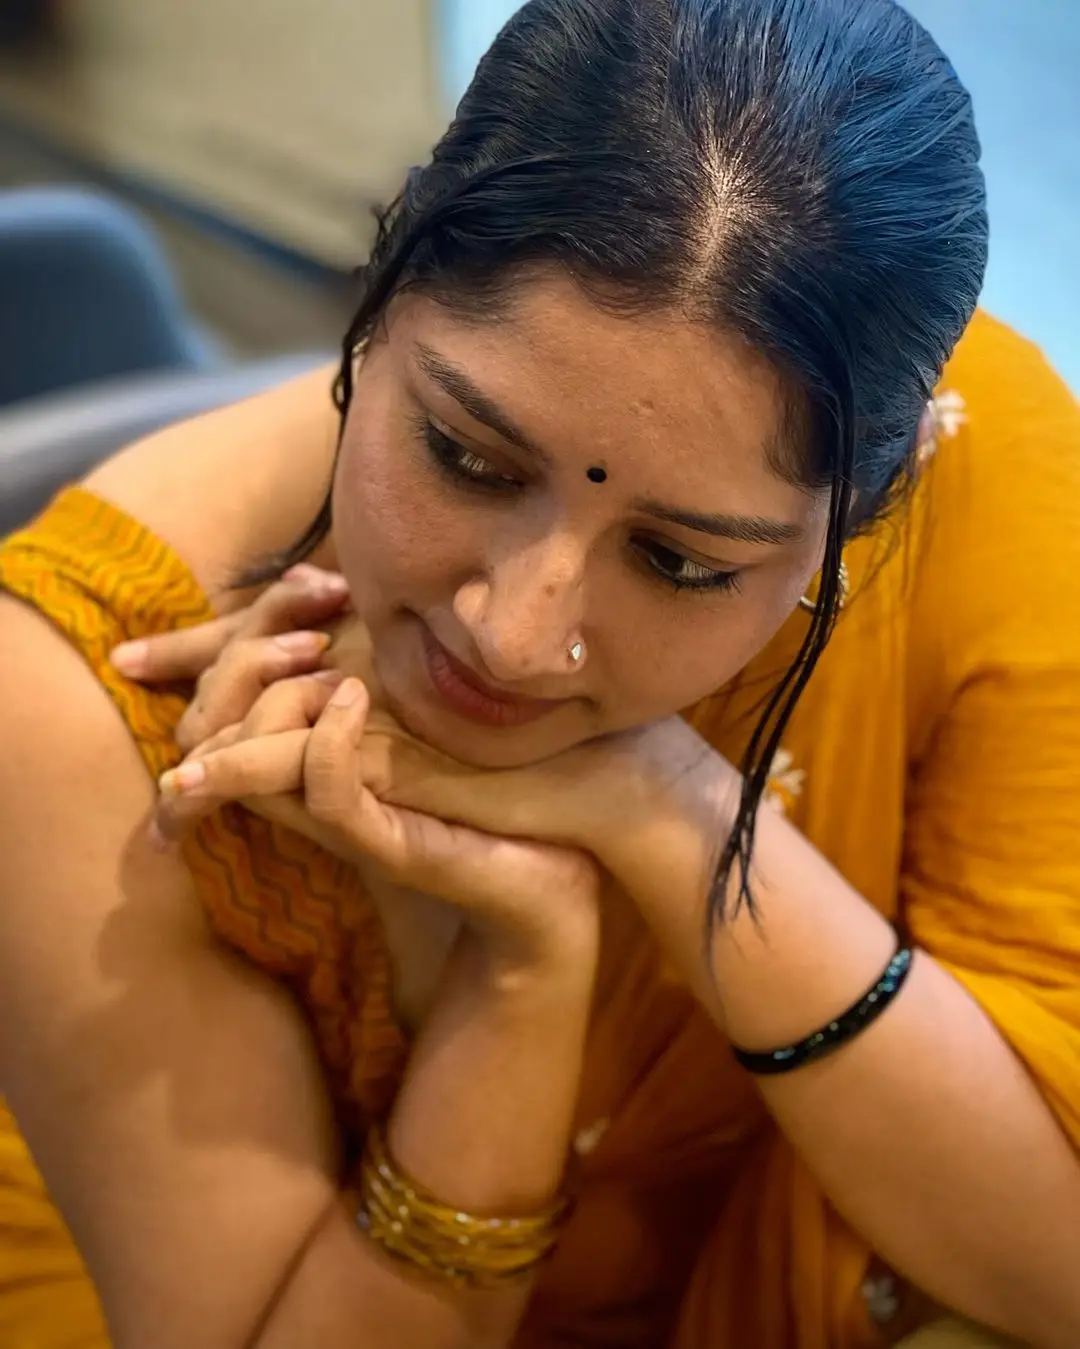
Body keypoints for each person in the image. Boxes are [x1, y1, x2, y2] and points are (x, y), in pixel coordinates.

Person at [0, 0, 1077, 1345]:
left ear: (863, 511)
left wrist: (663, 811)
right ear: (383, 286)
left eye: (681, 565)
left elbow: (1057, 1266)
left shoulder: (982, 460)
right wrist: (521, 974)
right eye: (468, 459)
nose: (513, 637)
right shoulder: (73, 693)